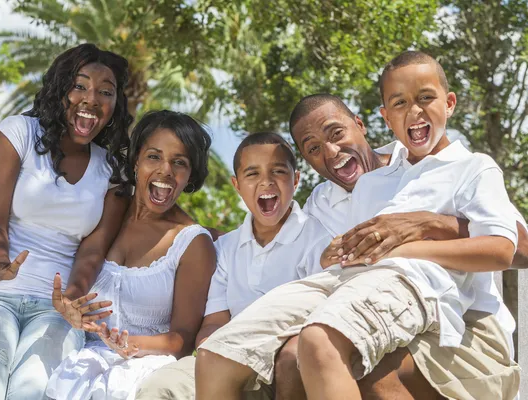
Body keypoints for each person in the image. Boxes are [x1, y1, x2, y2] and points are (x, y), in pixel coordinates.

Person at [195, 52, 523, 400]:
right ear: (386, 116)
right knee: (216, 355)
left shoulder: (470, 166)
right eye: (399, 103)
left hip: (432, 300)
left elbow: (506, 247)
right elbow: (339, 252)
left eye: (425, 98)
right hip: (347, 283)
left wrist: (418, 231)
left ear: (450, 102)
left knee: (319, 343)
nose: (413, 111)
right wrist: (336, 253)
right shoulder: (366, 186)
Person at [0, 43, 133, 400]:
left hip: (55, 313)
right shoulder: (18, 134)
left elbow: (91, 253)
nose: (91, 98)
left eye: (106, 91)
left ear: (115, 106)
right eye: (80, 85)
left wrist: (71, 302)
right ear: (60, 89)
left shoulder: (112, 171)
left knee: (31, 394)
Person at [135, 132, 332, 400]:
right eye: (252, 174)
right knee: (159, 387)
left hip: (286, 364)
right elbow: (215, 322)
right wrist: (211, 350)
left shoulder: (318, 240)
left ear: (295, 180)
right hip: (230, 358)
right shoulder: (226, 248)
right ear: (236, 185)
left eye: (278, 171)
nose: (266, 181)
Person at [44, 110, 216, 400]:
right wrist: (70, 301)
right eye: (154, 156)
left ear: (189, 176)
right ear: (136, 159)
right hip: (80, 363)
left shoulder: (192, 243)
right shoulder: (113, 205)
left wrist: (128, 344)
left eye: (179, 162)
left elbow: (182, 340)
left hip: (145, 372)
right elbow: (88, 257)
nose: (165, 170)